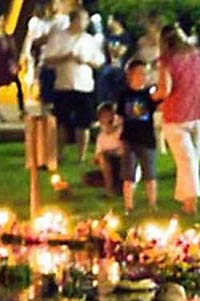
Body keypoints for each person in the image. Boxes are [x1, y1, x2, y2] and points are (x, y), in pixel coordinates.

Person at [152, 25, 200, 216]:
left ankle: (190, 203)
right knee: (192, 160)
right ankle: (185, 199)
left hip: (176, 116)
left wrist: (152, 95)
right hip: (198, 112)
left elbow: (165, 89)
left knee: (186, 161)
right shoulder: (197, 55)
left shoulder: (167, 61)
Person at [42, 9, 104, 164]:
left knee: (84, 123)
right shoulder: (59, 38)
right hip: (64, 85)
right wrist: (65, 58)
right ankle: (58, 154)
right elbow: (48, 60)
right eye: (82, 20)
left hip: (84, 86)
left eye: (86, 20)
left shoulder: (89, 40)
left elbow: (99, 62)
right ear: (74, 20)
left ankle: (81, 156)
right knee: (62, 122)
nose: (85, 23)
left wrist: (85, 61)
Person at [117, 60, 160, 212]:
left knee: (150, 173)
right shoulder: (124, 95)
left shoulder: (149, 95)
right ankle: (128, 205)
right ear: (130, 75)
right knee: (128, 174)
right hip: (129, 138)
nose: (143, 76)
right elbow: (120, 116)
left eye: (145, 73)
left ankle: (152, 204)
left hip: (147, 139)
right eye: (139, 73)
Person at [0, 14, 24, 122]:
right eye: (1, 19)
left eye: (3, 19)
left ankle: (21, 110)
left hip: (7, 66)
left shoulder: (7, 36)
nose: (3, 22)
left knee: (18, 85)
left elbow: (13, 51)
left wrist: (15, 64)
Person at [94, 101, 124, 196]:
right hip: (107, 165)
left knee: (105, 156)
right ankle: (111, 184)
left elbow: (124, 149)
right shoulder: (101, 135)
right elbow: (97, 154)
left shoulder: (122, 130)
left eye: (106, 115)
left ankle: (110, 188)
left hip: (121, 163)